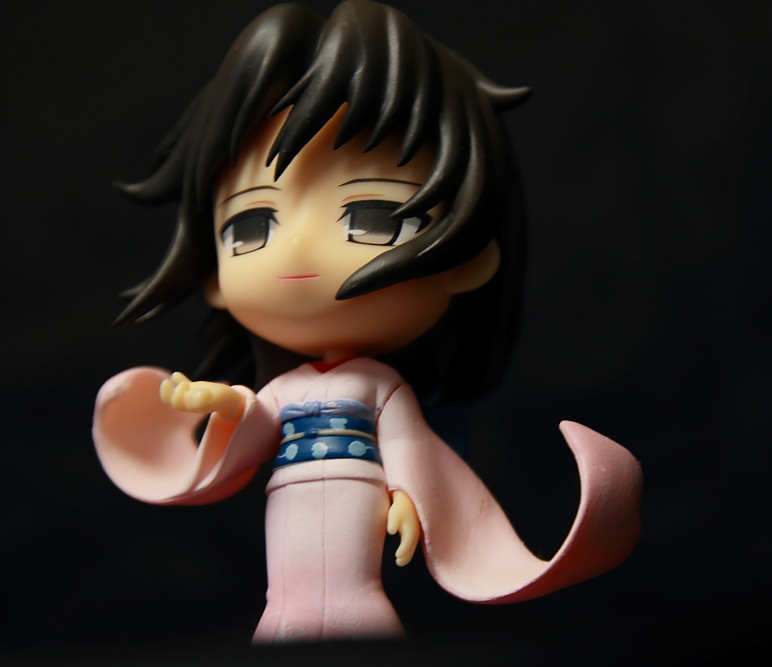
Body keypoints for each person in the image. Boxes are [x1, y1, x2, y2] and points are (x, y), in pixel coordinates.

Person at [93, 0, 641, 642]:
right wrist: (224, 405)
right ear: (213, 276)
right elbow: (250, 435)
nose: (297, 249)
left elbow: (409, 450)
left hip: (358, 536)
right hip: (288, 542)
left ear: (466, 259)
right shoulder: (283, 392)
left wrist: (409, 497)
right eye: (251, 225)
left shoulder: (381, 391)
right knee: (281, 618)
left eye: (372, 217)